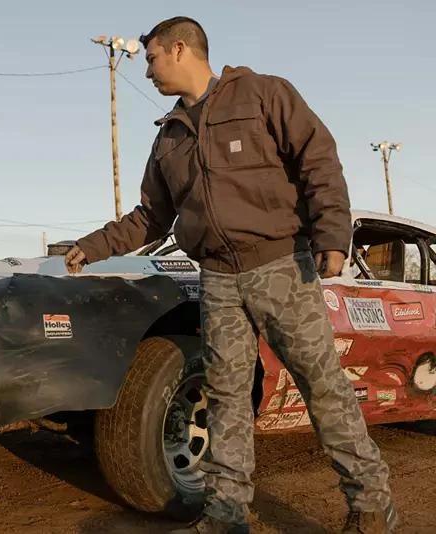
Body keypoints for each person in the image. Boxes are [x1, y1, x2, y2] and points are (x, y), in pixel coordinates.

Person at [64, 16, 395, 534]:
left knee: (323, 387)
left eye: (150, 58)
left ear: (178, 49)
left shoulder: (263, 95)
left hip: (281, 267)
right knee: (226, 399)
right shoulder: (169, 137)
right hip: (217, 280)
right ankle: (224, 514)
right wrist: (90, 247)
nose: (147, 70)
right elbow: (150, 216)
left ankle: (371, 504)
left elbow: (318, 159)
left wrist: (333, 236)